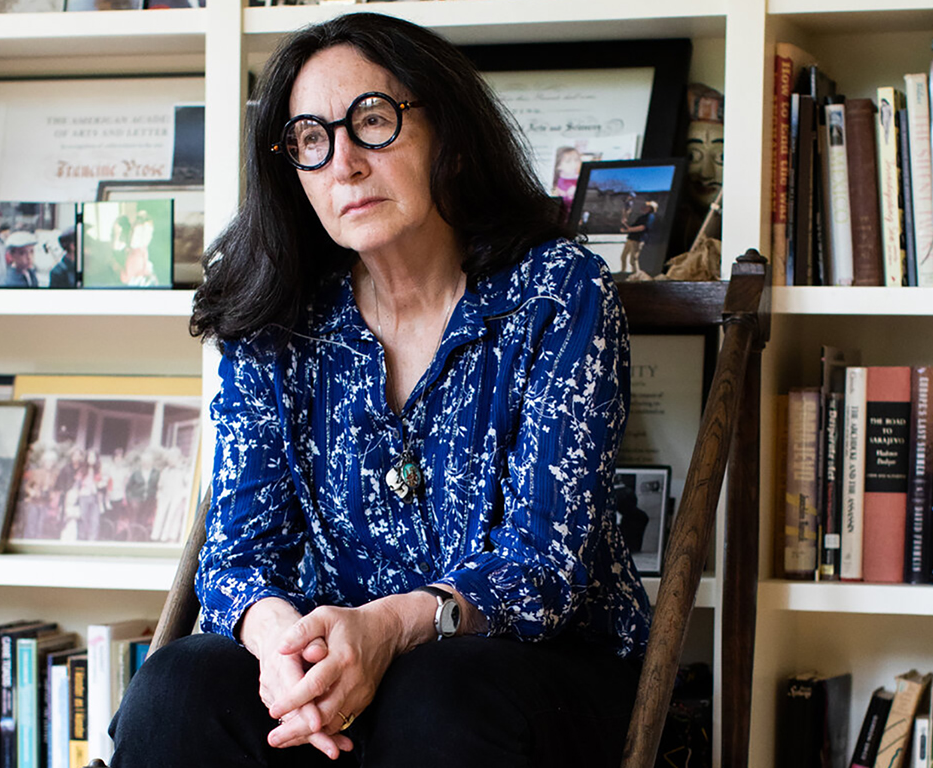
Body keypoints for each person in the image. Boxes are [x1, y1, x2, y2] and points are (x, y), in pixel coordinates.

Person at [109, 13, 651, 768]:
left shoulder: (557, 292)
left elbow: (545, 564)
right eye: (310, 139)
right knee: (177, 688)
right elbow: (237, 556)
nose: (344, 164)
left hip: (527, 666)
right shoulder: (275, 315)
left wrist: (390, 628)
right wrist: (279, 648)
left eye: (372, 121)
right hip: (328, 660)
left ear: (448, 135)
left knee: (437, 699)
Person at [619, 198, 659, 280]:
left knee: (633, 260)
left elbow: (642, 227)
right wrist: (626, 227)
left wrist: (629, 229)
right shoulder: (642, 216)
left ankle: (636, 276)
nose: (645, 207)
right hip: (631, 238)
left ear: (651, 208)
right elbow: (632, 226)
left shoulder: (650, 217)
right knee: (623, 256)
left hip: (638, 240)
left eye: (648, 206)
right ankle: (623, 272)